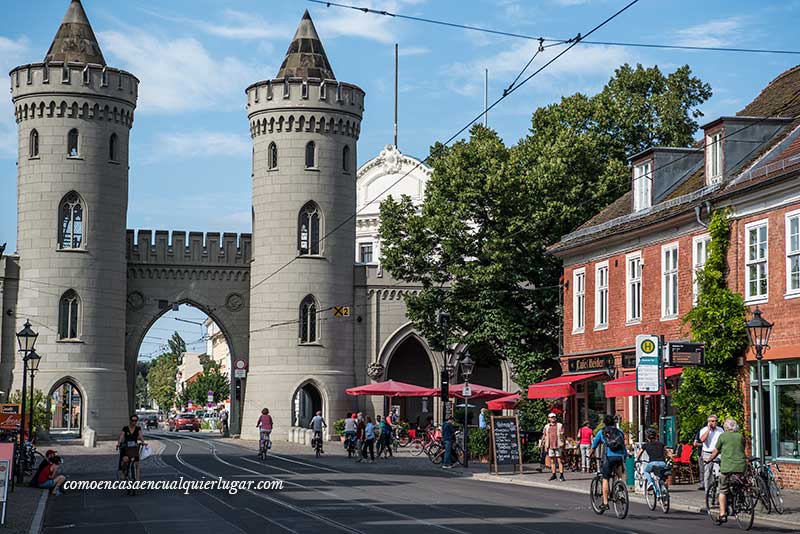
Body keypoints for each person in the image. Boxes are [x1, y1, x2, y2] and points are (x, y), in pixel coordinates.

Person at [708, 418, 746, 524]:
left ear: (725, 427)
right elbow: (741, 449)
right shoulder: (740, 436)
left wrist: (709, 459)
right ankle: (741, 502)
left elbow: (716, 451)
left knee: (722, 490)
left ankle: (722, 514)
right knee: (741, 484)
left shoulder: (723, 436)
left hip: (727, 468)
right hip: (741, 467)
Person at [590, 415, 627, 512]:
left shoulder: (602, 432)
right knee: (620, 476)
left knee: (605, 478)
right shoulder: (620, 432)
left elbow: (594, 446)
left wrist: (590, 455)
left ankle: (605, 502)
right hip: (620, 456)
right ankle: (621, 489)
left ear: (604, 423)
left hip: (609, 457)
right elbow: (623, 444)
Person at [636, 428, 670, 496]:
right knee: (660, 476)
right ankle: (663, 491)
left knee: (646, 471)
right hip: (662, 463)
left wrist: (637, 459)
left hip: (652, 463)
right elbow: (666, 453)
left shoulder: (646, 445)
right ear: (656, 436)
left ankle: (650, 482)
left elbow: (639, 453)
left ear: (647, 437)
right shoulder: (661, 444)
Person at [698, 414, 724, 492]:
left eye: (714, 421)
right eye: (711, 421)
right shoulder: (704, 430)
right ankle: (707, 491)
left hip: (718, 453)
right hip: (707, 453)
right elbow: (702, 440)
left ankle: (718, 492)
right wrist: (708, 430)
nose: (712, 423)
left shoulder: (720, 430)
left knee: (718, 473)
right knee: (707, 473)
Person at [117, 414, 146, 481]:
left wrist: (143, 442)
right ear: (130, 421)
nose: (134, 422)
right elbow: (121, 436)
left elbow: (140, 436)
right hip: (126, 448)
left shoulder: (138, 428)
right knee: (125, 460)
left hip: (134, 449)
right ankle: (124, 473)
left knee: (137, 464)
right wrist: (119, 443)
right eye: (133, 420)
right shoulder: (125, 428)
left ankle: (138, 480)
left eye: (136, 421)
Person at [540, 412, 566, 481]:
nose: (553, 418)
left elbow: (563, 435)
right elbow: (544, 435)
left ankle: (561, 475)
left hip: (558, 445)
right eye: (551, 417)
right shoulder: (547, 426)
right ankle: (554, 475)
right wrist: (541, 443)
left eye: (554, 417)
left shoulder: (560, 425)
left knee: (559, 460)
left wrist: (564, 444)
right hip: (550, 445)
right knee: (552, 461)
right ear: (549, 419)